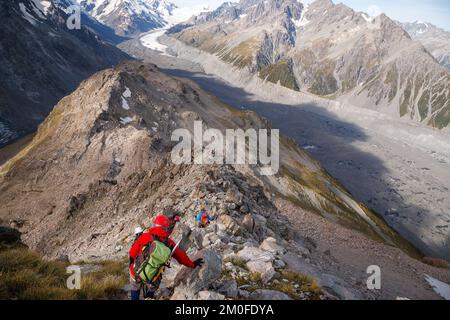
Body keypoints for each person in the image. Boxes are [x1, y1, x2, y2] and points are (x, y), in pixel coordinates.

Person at [129, 215, 203, 300]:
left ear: (155, 225)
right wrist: (192, 264)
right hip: (153, 276)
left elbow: (132, 253)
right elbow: (181, 257)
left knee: (135, 284)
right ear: (166, 228)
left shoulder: (144, 236)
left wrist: (131, 265)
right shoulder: (169, 243)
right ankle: (149, 297)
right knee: (156, 281)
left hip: (137, 271)